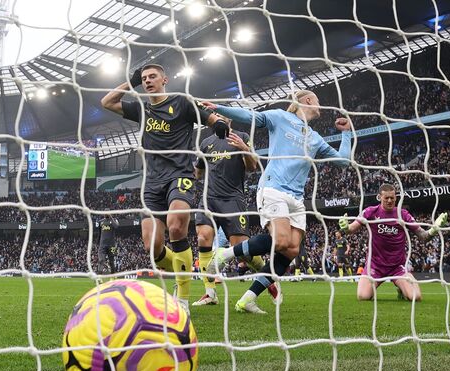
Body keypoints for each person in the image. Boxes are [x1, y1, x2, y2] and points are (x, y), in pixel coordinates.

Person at [203, 90, 352, 313]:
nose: (320, 105)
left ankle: (247, 299)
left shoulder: (315, 138)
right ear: (308, 100)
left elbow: (342, 162)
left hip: (297, 198)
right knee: (280, 241)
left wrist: (347, 134)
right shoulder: (280, 118)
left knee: (290, 251)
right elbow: (251, 116)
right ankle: (225, 254)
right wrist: (219, 109)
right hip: (274, 188)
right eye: (318, 100)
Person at [101, 63, 230, 311]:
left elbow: (211, 118)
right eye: (145, 78)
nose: (148, 80)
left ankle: (182, 298)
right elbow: (107, 102)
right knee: (152, 245)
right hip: (152, 182)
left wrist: (218, 125)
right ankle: (185, 272)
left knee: (176, 224)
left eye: (152, 77)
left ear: (165, 80)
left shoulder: (181, 102)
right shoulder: (142, 109)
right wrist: (132, 81)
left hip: (180, 174)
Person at [192, 118, 265, 307]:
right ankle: (210, 293)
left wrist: (243, 148)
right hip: (209, 198)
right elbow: (198, 173)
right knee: (203, 237)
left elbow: (252, 167)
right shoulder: (206, 143)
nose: (219, 119)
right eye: (215, 115)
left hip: (233, 199)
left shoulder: (241, 137)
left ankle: (268, 276)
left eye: (222, 115)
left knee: (241, 252)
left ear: (230, 119)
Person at [339, 184, 447, 301]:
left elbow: (423, 236)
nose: (390, 200)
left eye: (392, 198)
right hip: (375, 265)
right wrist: (346, 228)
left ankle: (401, 289)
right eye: (386, 198)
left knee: (416, 297)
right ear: (379, 197)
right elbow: (351, 229)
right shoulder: (370, 212)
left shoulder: (403, 214)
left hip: (397, 266)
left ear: (396, 198)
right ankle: (372, 289)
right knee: (363, 296)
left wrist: (434, 230)